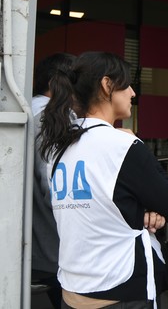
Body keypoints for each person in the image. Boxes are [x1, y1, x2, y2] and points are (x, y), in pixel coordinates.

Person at [39, 51, 168, 308]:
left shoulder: (58, 148)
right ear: (107, 85)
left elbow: (102, 206)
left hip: (72, 290)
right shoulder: (121, 145)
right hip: (121, 290)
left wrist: (142, 212)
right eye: (127, 85)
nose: (132, 93)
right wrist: (134, 142)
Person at [32, 53, 76, 309]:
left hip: (32, 241)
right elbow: (56, 187)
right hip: (53, 245)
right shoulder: (53, 118)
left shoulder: (24, 110)